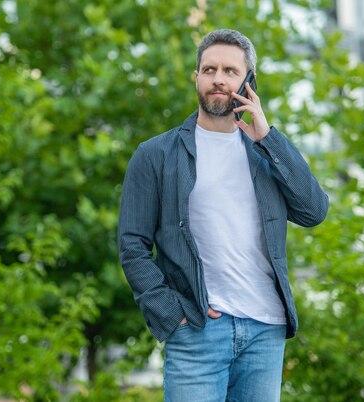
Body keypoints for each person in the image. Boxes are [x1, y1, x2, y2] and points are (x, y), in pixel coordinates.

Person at [117, 29, 329, 402]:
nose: (218, 78)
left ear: (249, 81)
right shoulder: (155, 154)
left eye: (230, 70)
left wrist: (268, 137)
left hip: (266, 329)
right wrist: (171, 314)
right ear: (196, 77)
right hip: (197, 329)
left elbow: (313, 211)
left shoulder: (265, 153)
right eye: (209, 69)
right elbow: (132, 245)